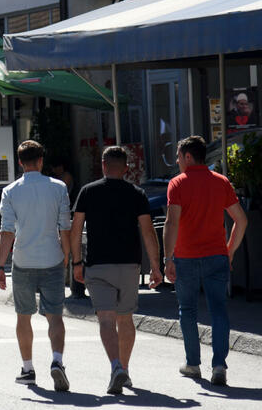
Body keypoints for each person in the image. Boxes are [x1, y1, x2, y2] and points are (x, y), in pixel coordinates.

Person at [70, 146, 162, 394]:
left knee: (106, 320)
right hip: (129, 266)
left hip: (97, 265)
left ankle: (115, 367)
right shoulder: (137, 194)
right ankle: (125, 369)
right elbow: (148, 230)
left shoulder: (88, 191)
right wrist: (155, 265)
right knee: (125, 318)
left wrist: (76, 262)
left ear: (103, 165)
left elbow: (76, 229)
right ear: (126, 168)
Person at [163, 135, 247, 386]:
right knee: (218, 310)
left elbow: (172, 222)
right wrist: (230, 250)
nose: (177, 162)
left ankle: (193, 364)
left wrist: (168, 258)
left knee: (187, 310)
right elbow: (241, 220)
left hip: (186, 257)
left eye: (178, 157)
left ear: (188, 157)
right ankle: (219, 366)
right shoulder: (221, 182)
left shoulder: (177, 184)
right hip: (216, 256)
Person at [0, 140, 72, 392]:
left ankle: (28, 368)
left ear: (20, 162)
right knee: (55, 316)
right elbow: (65, 227)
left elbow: (7, 231)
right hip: (52, 259)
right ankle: (57, 361)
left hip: (23, 261)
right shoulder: (59, 188)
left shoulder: (10, 191)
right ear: (41, 160)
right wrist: (67, 258)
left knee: (23, 315)